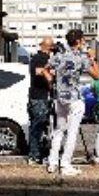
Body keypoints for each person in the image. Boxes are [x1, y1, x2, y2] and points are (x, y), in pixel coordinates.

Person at [46, 29, 99, 176]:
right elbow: (97, 75)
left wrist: (51, 82)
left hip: (60, 97)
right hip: (74, 98)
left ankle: (52, 163)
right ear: (78, 41)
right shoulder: (81, 57)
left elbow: (46, 68)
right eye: (83, 40)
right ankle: (65, 164)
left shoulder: (59, 55)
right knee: (72, 132)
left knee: (58, 130)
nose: (84, 43)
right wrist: (92, 58)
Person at [27, 36, 54, 165]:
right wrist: (48, 75)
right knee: (37, 126)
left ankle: (40, 153)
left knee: (42, 127)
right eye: (50, 46)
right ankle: (33, 155)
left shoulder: (47, 59)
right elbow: (38, 71)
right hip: (38, 97)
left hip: (43, 97)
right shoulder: (38, 58)